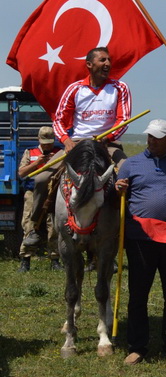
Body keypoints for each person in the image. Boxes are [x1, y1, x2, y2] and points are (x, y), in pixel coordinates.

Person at [115, 119, 166, 366]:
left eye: (158, 137)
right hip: (140, 239)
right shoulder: (130, 165)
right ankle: (137, 347)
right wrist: (117, 189)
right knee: (138, 294)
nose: (152, 140)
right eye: (150, 136)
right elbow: (116, 198)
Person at [53, 47, 132, 164]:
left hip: (108, 144)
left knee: (127, 172)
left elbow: (124, 120)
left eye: (109, 60)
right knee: (42, 178)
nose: (108, 64)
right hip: (78, 143)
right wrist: (67, 141)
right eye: (102, 60)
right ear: (89, 64)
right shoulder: (74, 89)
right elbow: (58, 120)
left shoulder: (120, 87)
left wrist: (107, 138)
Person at [16, 126, 61, 271]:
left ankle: (55, 259)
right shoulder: (30, 152)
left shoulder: (59, 152)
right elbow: (21, 173)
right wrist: (36, 163)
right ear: (39, 140)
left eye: (50, 142)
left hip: (53, 193)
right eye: (44, 142)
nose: (47, 145)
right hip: (32, 193)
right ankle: (25, 259)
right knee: (29, 224)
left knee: (53, 226)